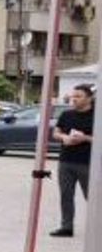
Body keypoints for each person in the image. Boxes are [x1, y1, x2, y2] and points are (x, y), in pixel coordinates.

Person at [51, 84, 93, 238]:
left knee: (93, 197)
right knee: (66, 195)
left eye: (78, 96)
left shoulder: (97, 115)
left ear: (89, 98)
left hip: (88, 163)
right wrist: (64, 137)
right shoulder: (66, 114)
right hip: (66, 161)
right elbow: (56, 132)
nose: (74, 99)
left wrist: (85, 138)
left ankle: (97, 227)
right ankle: (66, 227)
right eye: (73, 96)